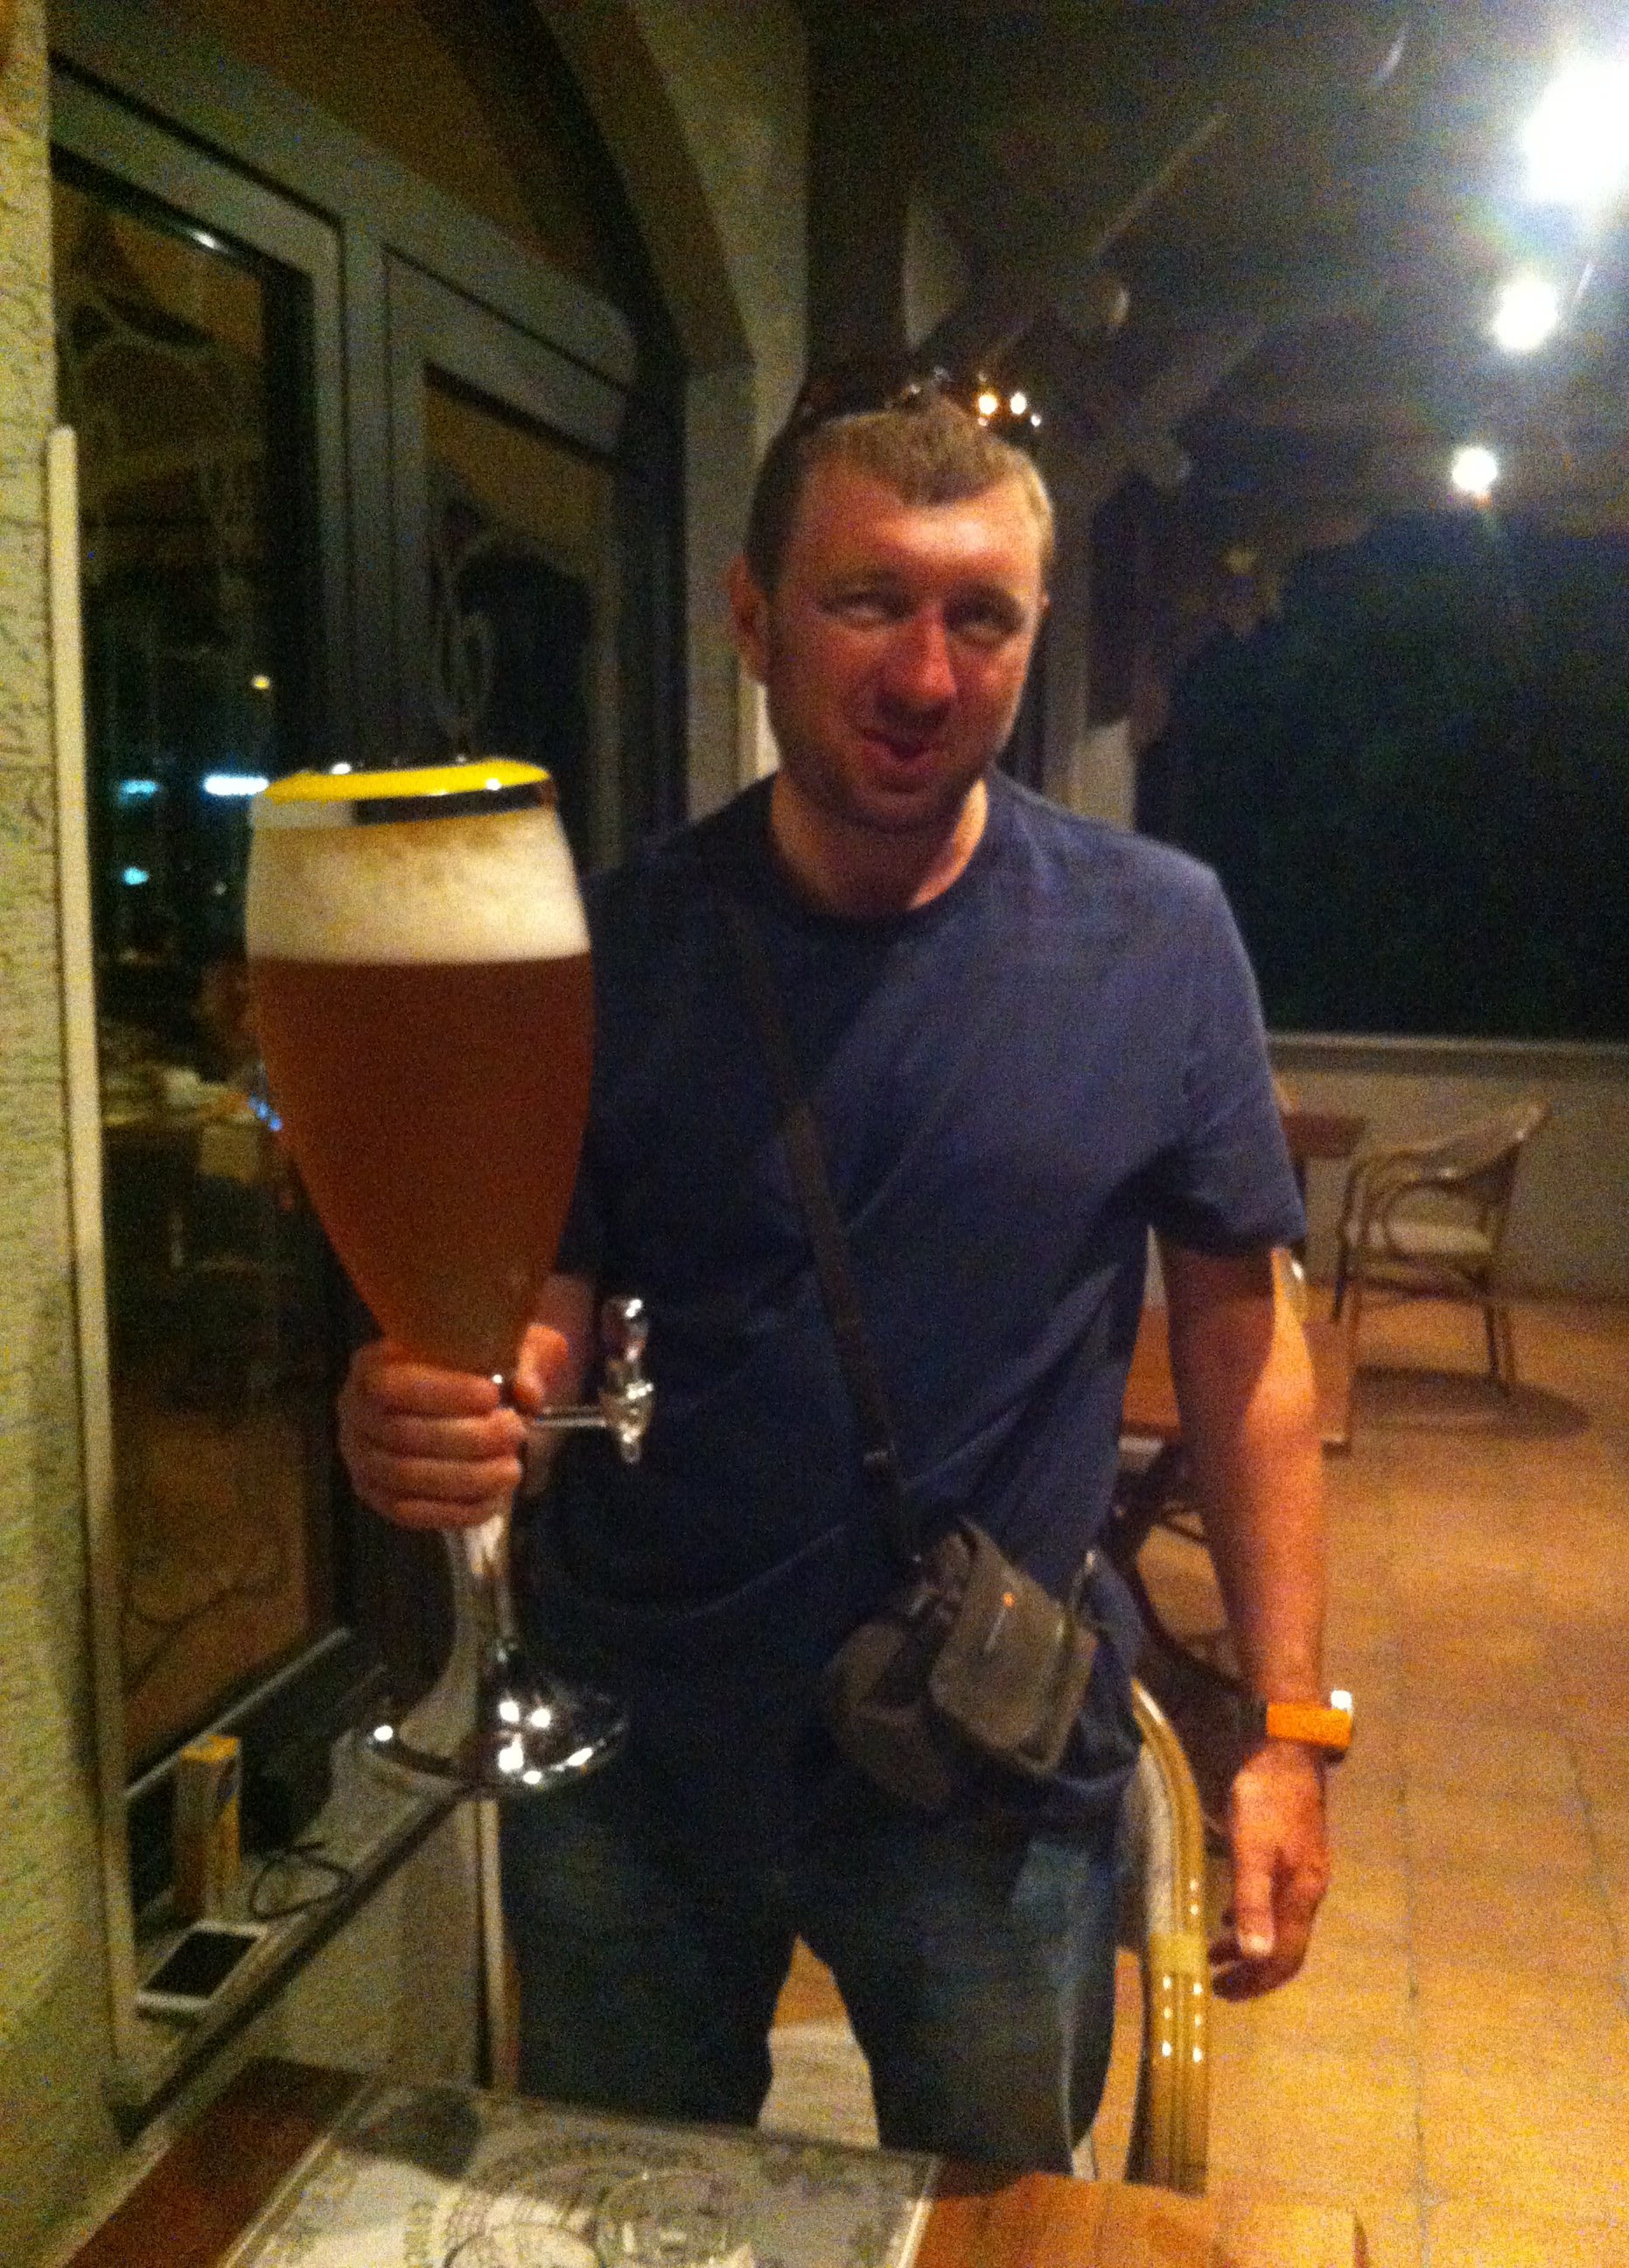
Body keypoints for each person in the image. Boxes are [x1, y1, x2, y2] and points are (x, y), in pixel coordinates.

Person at [339, 371, 1330, 2172]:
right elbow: (549, 1309)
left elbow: (1240, 1345)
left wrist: (1288, 1731)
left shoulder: (1157, 937)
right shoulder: (616, 942)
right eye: (867, 601)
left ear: (1031, 633)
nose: (924, 674)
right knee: (621, 2204)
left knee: (990, 2227)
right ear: (751, 618)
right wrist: (453, 1402)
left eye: (981, 618)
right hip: (635, 1752)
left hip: (982, 1761)